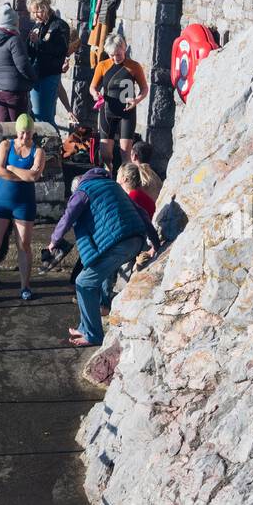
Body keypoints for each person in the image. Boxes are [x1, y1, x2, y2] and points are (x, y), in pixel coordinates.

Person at [46, 166, 152, 346]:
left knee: (83, 283)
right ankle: (85, 326)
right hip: (135, 241)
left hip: (119, 244)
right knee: (97, 275)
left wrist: (54, 240)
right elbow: (141, 213)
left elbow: (68, 216)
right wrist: (154, 245)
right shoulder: (112, 186)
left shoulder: (83, 190)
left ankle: (93, 335)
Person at [0, 113, 46, 304]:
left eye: (29, 134)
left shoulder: (38, 151)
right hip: (1, 203)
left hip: (24, 205)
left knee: (23, 245)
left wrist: (13, 169)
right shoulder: (6, 145)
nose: (25, 137)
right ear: (17, 131)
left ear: (33, 132)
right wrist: (22, 174)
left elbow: (33, 177)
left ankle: (25, 286)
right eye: (22, 133)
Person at [89, 30, 148, 169]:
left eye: (118, 55)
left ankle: (124, 183)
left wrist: (137, 100)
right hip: (107, 111)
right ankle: (108, 177)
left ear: (124, 48)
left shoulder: (134, 66)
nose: (115, 58)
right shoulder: (103, 65)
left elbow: (144, 88)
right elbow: (92, 86)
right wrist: (95, 94)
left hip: (127, 112)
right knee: (105, 154)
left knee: (125, 153)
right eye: (112, 55)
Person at [25, 0, 72, 128]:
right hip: (35, 75)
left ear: (44, 8)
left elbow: (60, 51)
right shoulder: (37, 26)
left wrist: (39, 42)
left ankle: (54, 147)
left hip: (49, 76)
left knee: (44, 119)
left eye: (36, 12)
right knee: (35, 117)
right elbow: (31, 52)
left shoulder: (60, 26)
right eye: (32, 13)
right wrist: (29, 42)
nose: (34, 16)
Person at [0, 3, 35, 123]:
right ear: (13, 23)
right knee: (18, 126)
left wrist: (0, 77)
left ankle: (2, 142)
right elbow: (23, 66)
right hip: (15, 91)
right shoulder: (14, 40)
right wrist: (33, 78)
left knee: (3, 126)